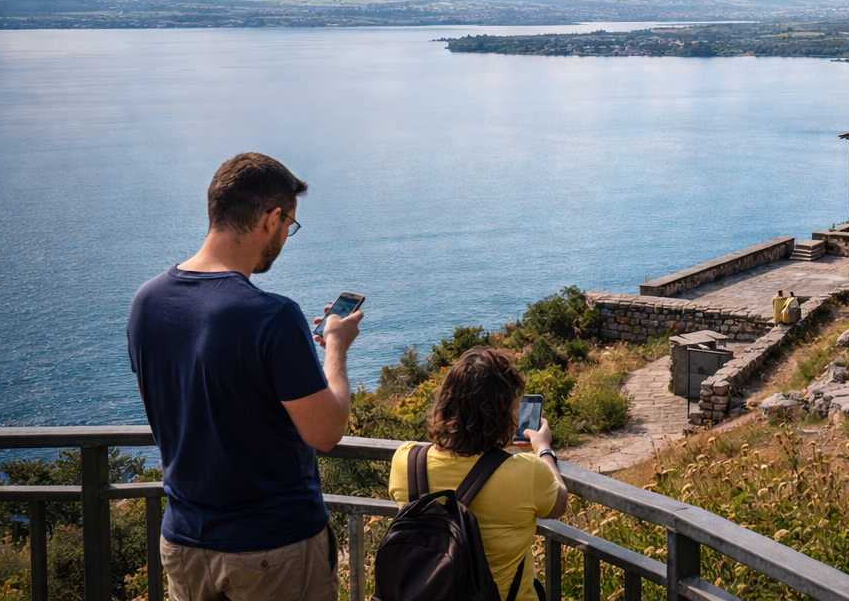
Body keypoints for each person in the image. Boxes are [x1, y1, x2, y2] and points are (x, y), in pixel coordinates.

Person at [128, 153, 361, 601]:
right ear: (271, 219)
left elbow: (165, 410)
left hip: (184, 544)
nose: (285, 236)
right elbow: (326, 432)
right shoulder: (272, 316)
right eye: (289, 224)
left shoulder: (147, 302)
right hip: (273, 546)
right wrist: (335, 347)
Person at [389, 348, 568, 601]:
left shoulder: (406, 459)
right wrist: (543, 449)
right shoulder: (528, 473)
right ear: (505, 412)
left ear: (444, 403)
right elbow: (559, 504)